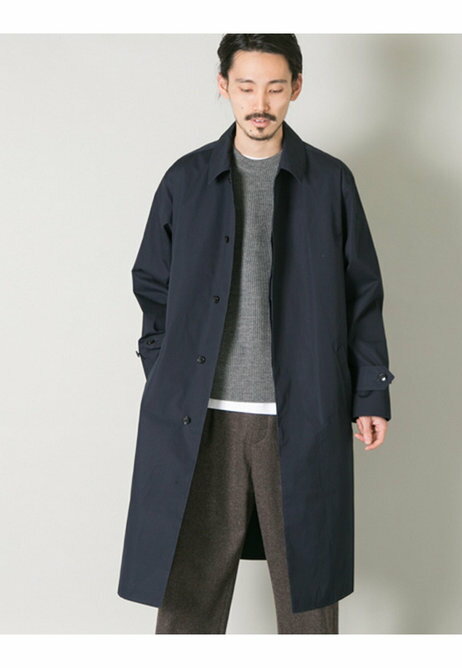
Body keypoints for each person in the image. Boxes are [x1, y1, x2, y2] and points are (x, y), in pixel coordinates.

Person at [118, 33, 395, 634]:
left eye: (274, 87)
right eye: (246, 87)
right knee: (188, 600)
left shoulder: (330, 182)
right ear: (224, 87)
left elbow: (362, 293)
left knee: (309, 603)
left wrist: (370, 392)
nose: (260, 103)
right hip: (202, 416)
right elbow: (151, 284)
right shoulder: (186, 180)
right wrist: (167, 372)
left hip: (301, 414)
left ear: (296, 88)